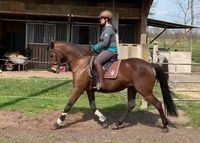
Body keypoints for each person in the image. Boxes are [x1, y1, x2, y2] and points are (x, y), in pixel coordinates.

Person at [92, 10, 118, 90]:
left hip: (110, 50)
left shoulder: (108, 29)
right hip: (107, 50)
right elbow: (102, 42)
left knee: (97, 61)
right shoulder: (105, 29)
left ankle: (102, 82)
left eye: (101, 18)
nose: (100, 20)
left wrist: (95, 47)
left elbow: (105, 43)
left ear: (106, 19)